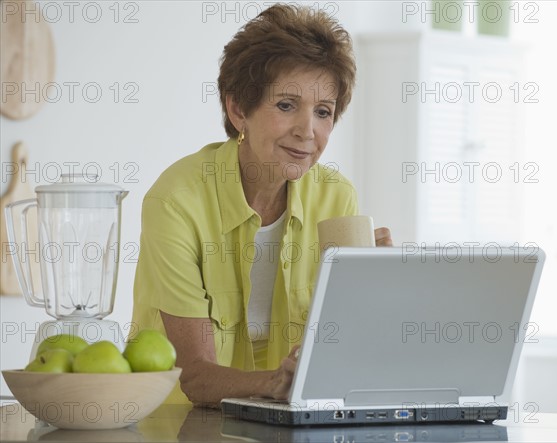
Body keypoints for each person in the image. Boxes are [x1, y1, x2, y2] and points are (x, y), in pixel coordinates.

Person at [131, 3, 393, 408]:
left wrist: (376, 294)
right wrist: (274, 383)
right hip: (177, 427)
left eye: (323, 112)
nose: (308, 131)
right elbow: (195, 378)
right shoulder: (176, 202)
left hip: (282, 425)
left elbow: (342, 353)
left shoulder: (337, 198)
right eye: (286, 105)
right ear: (239, 110)